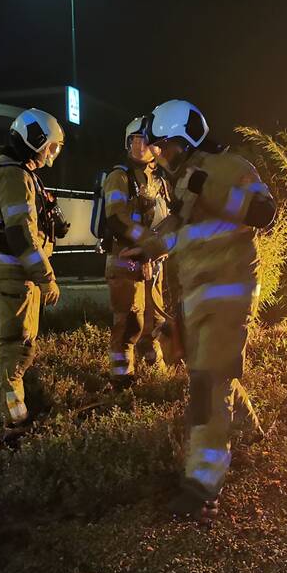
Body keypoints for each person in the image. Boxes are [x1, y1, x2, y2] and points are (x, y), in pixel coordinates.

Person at [122, 99, 277, 519]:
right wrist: (146, 246)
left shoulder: (229, 168)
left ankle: (201, 487)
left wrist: (206, 187)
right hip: (197, 297)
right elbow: (178, 228)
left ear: (184, 140)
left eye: (164, 148)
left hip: (228, 294)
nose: (160, 157)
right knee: (211, 372)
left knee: (207, 384)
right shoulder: (186, 179)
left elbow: (266, 212)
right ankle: (250, 430)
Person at [0, 108, 65, 426]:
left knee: (4, 346)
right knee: (16, 347)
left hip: (4, 273)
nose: (50, 153)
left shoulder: (6, 171)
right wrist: (46, 278)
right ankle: (7, 422)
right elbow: (21, 235)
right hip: (13, 275)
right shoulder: (14, 176)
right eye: (50, 145)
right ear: (35, 139)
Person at [103, 115, 172, 386]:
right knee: (129, 321)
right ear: (127, 142)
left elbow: (169, 217)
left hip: (153, 263)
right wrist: (145, 243)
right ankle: (122, 379)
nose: (142, 144)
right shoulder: (119, 177)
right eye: (135, 139)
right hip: (125, 260)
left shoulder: (160, 179)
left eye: (147, 139)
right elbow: (116, 218)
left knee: (154, 319)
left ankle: (157, 375)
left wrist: (158, 248)